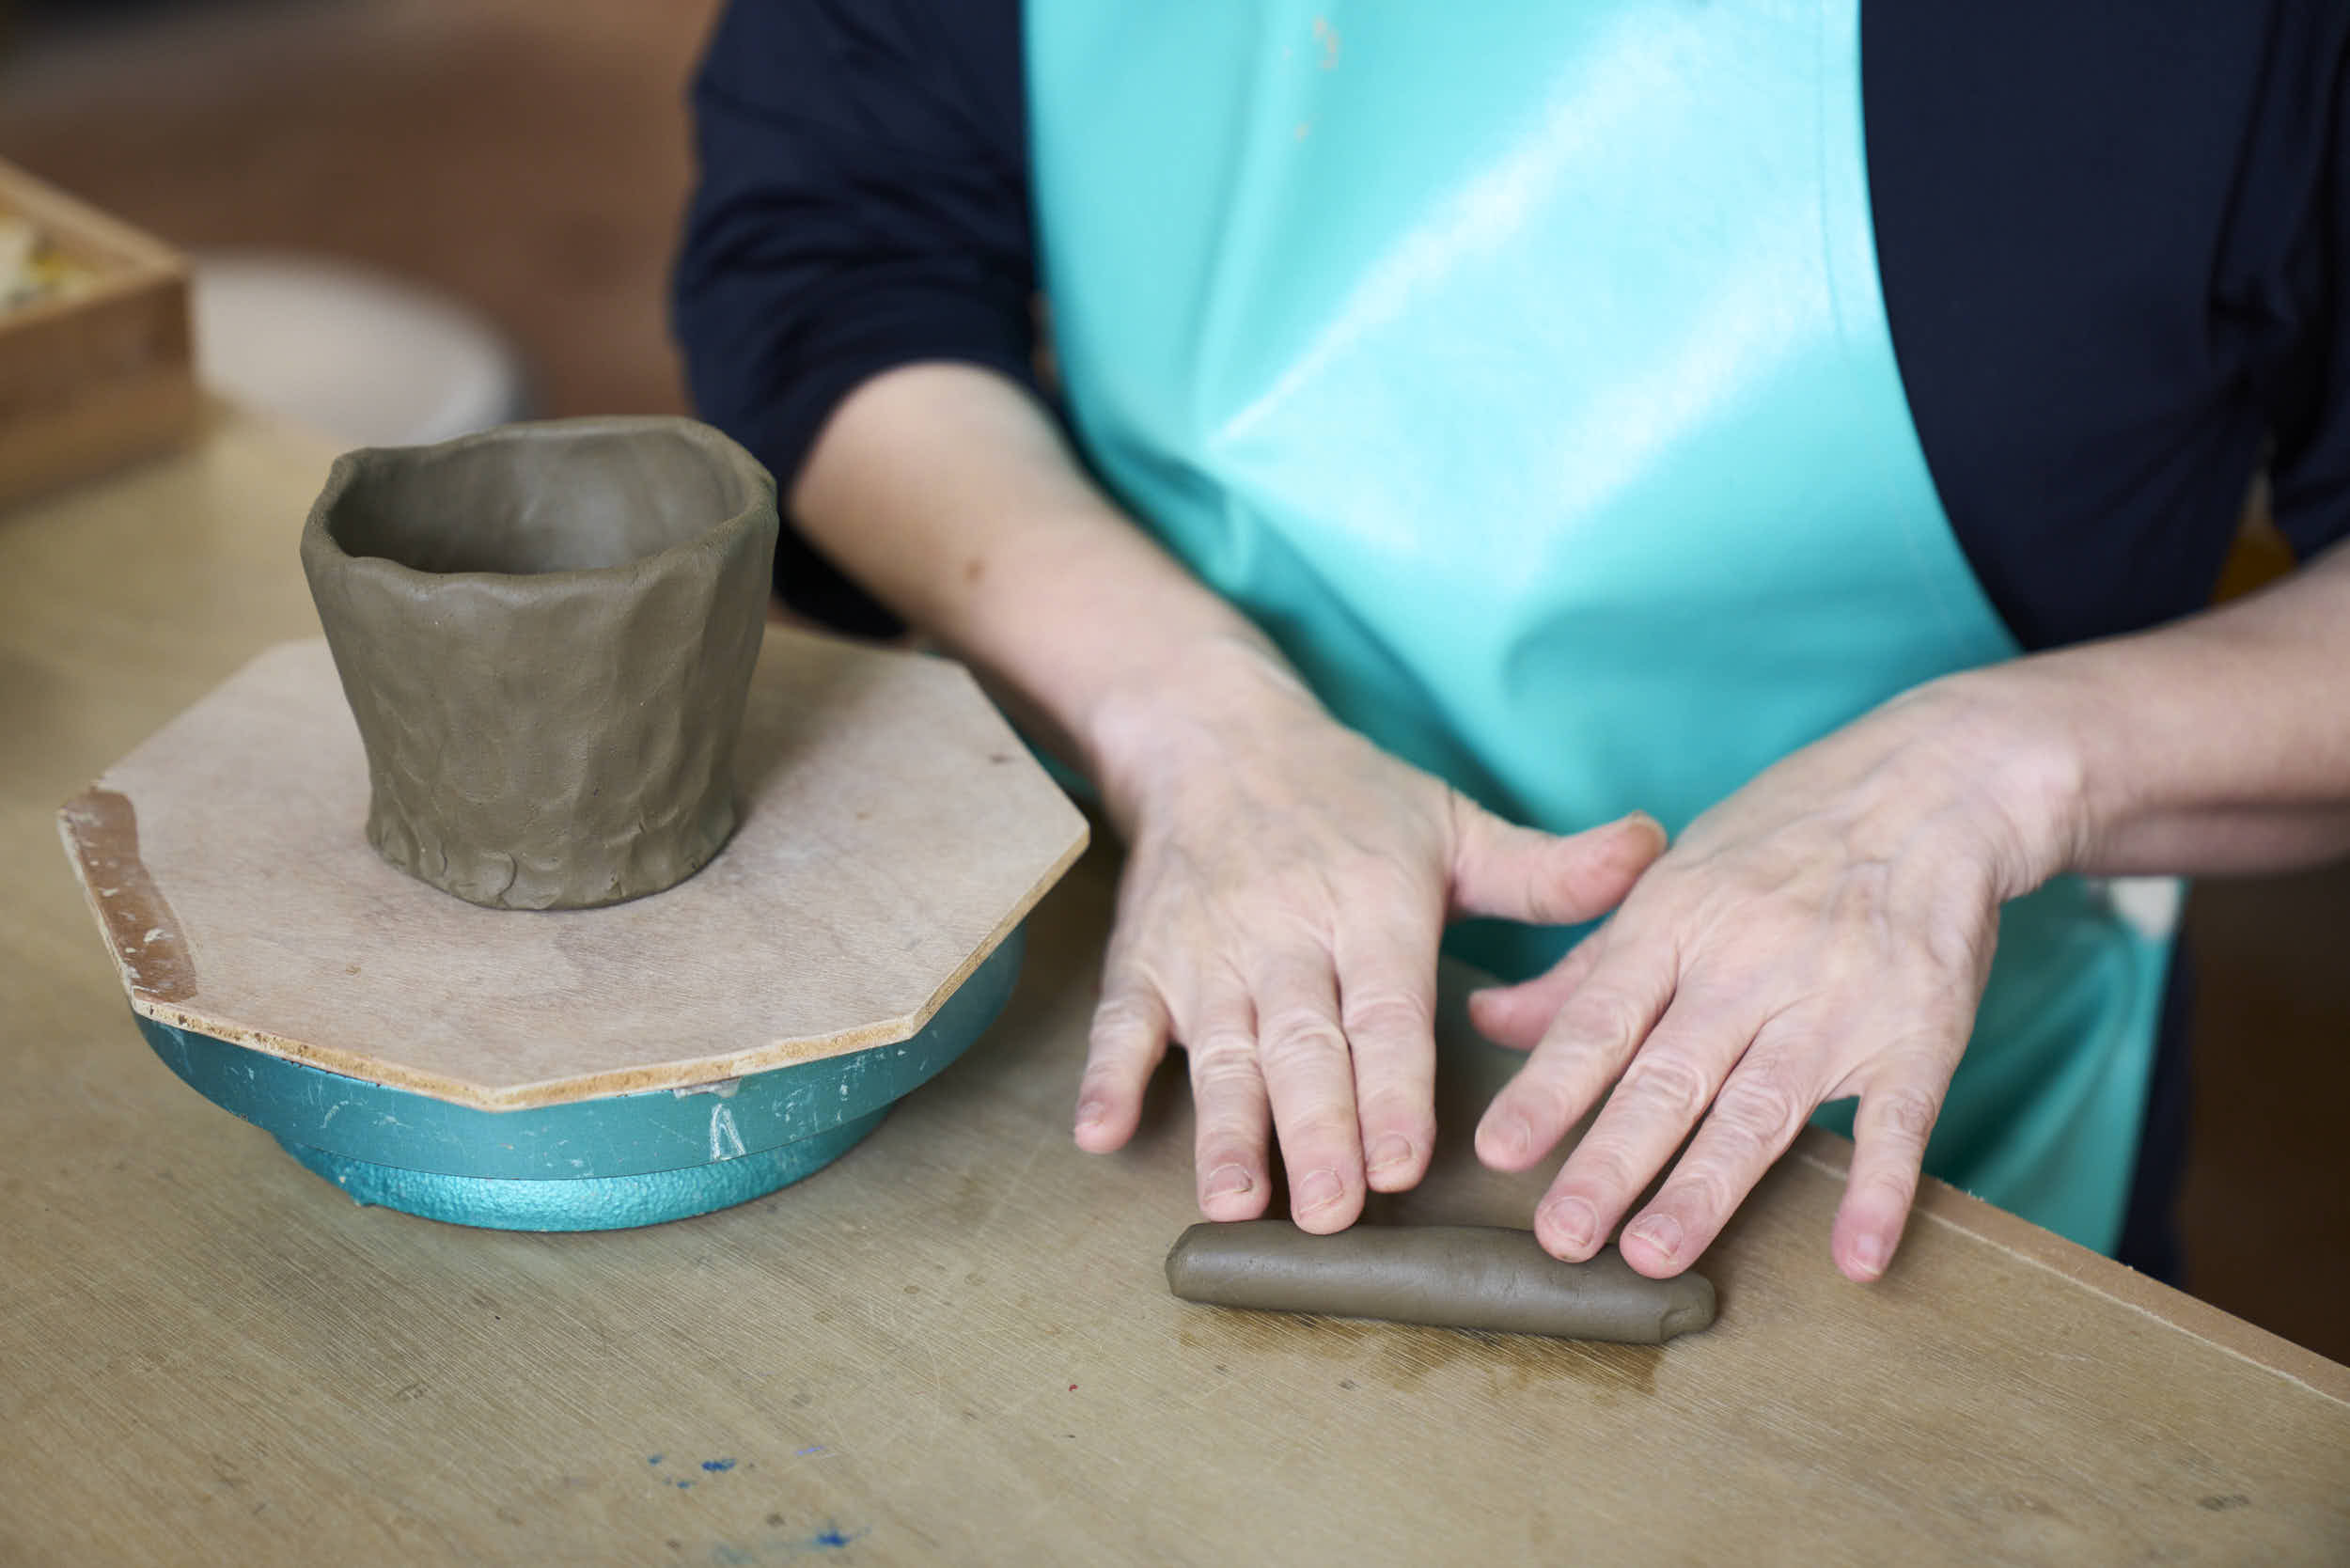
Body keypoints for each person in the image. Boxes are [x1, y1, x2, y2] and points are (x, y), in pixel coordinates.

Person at [673, 0, 2350, 1286]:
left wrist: (1978, 784)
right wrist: (1187, 722)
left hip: (1914, 1136)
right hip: (1149, 981)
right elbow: (835, 260)